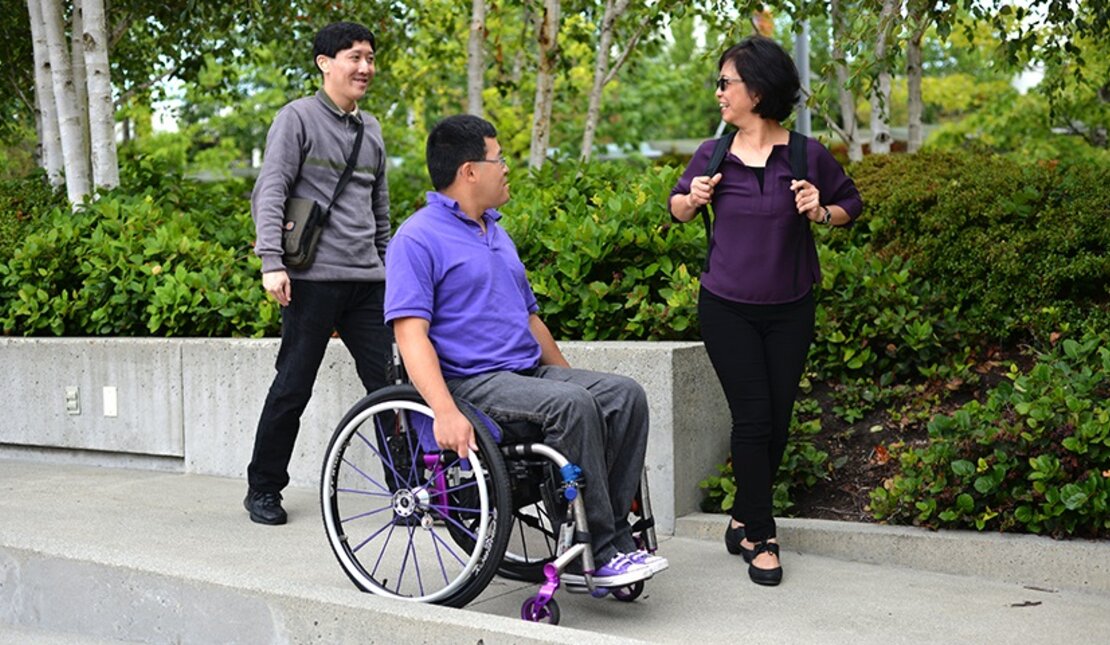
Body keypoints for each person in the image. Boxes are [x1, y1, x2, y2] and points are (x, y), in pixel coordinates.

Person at [385, 114, 666, 587]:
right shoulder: (416, 238)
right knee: (572, 404)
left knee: (623, 395)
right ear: (469, 170)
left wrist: (577, 383)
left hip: (525, 373)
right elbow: (410, 334)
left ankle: (605, 535)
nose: (507, 168)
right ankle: (601, 549)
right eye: (500, 158)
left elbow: (531, 319)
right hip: (473, 382)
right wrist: (444, 411)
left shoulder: (494, 231)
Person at [668, 35, 863, 586]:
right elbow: (676, 206)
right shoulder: (712, 154)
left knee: (776, 422)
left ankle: (740, 518)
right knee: (753, 417)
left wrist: (821, 211)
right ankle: (763, 535)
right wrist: (693, 199)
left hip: (791, 306)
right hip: (726, 306)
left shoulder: (805, 153)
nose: (719, 93)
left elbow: (851, 203)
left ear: (757, 89)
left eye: (726, 82)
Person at [244, 22, 393, 525]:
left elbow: (380, 211)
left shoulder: (371, 130)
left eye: (370, 57)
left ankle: (407, 487)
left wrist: (389, 270)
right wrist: (271, 262)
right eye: (354, 57)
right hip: (312, 281)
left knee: (390, 388)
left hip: (368, 284)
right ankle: (263, 488)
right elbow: (271, 190)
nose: (365, 67)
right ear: (324, 63)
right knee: (292, 386)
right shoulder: (297, 119)